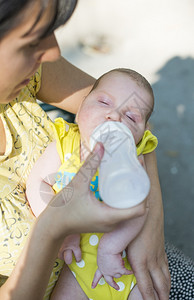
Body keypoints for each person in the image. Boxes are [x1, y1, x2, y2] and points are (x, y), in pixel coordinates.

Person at [0, 0, 179, 299]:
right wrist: (55, 229)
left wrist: (151, 221)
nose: (54, 51)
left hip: (126, 251)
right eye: (32, 39)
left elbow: (135, 119)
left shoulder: (33, 71)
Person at [26, 68, 160, 300]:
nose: (115, 116)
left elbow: (139, 211)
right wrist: (61, 229)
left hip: (126, 267)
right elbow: (37, 184)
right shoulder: (65, 144)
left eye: (131, 117)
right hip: (78, 269)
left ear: (139, 135)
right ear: (80, 108)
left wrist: (111, 248)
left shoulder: (133, 160)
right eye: (104, 102)